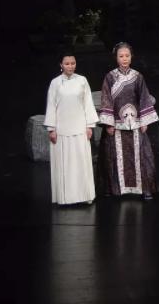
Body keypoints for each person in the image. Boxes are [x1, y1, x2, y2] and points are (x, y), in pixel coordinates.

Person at [98, 42, 159, 198]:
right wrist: (108, 123)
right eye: (121, 56)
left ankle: (144, 189)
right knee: (114, 156)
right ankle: (117, 189)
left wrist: (144, 121)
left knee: (141, 156)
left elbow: (144, 98)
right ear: (116, 58)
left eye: (127, 56)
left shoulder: (138, 77)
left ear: (131, 57)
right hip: (116, 124)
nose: (124, 59)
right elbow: (106, 100)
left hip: (135, 123)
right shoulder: (110, 77)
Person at [44, 52, 98, 205]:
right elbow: (51, 105)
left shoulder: (82, 80)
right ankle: (65, 198)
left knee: (81, 163)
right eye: (67, 63)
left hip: (80, 129)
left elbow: (88, 103)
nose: (70, 66)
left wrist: (89, 126)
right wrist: (52, 128)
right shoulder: (55, 83)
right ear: (61, 65)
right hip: (62, 130)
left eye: (73, 63)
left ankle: (85, 196)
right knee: (65, 165)